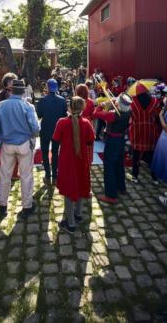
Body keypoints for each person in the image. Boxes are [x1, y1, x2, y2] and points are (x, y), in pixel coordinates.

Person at [0, 79, 40, 219]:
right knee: (26, 176)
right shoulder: (28, 106)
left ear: (10, 90)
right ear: (23, 91)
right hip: (24, 144)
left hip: (7, 144)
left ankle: (2, 205)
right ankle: (27, 206)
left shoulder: (0, 106)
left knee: (5, 175)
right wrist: (32, 135)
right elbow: (36, 129)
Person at [52, 96, 95, 234]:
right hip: (81, 162)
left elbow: (56, 140)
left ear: (70, 108)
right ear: (82, 108)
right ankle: (78, 214)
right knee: (81, 185)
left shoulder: (62, 122)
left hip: (67, 162)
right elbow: (90, 141)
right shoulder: (87, 123)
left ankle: (70, 223)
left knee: (69, 191)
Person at [93, 94, 132, 204]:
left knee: (109, 166)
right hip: (121, 140)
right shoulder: (128, 112)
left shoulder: (113, 115)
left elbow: (95, 114)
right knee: (119, 164)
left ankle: (111, 195)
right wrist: (114, 104)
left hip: (112, 141)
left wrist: (101, 105)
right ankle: (121, 187)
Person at [37, 79, 68, 185]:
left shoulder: (42, 100)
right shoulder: (62, 100)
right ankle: (55, 176)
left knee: (45, 152)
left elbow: (39, 115)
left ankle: (47, 175)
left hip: (45, 129)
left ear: (47, 87)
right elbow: (64, 116)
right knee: (55, 153)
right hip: (57, 130)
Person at [129, 84, 161, 184]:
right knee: (151, 155)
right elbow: (157, 115)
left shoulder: (132, 102)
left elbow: (130, 115)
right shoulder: (155, 101)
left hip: (137, 129)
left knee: (136, 155)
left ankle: (135, 176)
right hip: (150, 130)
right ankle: (154, 178)